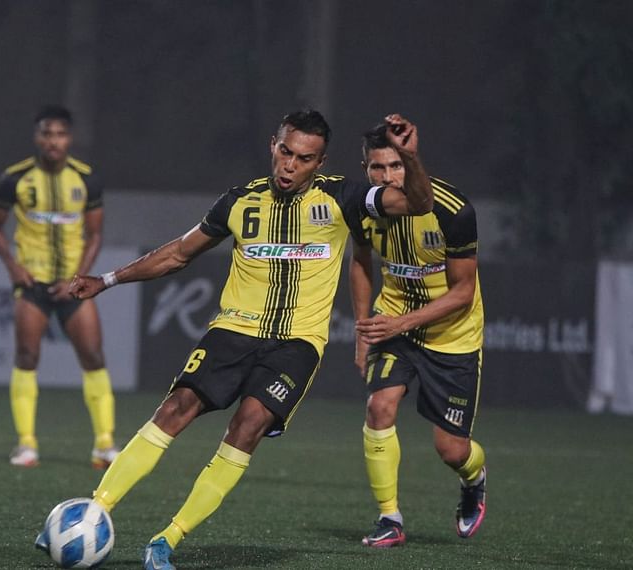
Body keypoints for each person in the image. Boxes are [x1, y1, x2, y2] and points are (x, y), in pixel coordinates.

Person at [64, 110, 433, 569]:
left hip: (296, 345)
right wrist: (108, 279)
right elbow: (179, 253)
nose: (289, 165)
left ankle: (167, 539)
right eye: (285, 152)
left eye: (303, 158)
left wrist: (411, 159)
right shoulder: (239, 201)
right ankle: (97, 508)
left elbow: (416, 203)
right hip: (234, 331)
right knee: (175, 408)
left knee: (249, 424)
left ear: (320, 162)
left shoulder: (344, 195)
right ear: (272, 146)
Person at [349, 122, 486, 548]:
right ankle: (389, 517)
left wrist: (400, 324)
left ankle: (474, 479)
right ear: (366, 167)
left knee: (452, 451)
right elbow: (360, 261)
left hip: (452, 336)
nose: (387, 177)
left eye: (395, 165)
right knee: (379, 407)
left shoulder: (452, 210)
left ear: (409, 162)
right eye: (377, 167)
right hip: (396, 324)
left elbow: (463, 292)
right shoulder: (365, 206)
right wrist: (362, 331)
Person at [0, 104, 119, 469]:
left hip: (72, 287)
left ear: (69, 138)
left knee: (93, 357)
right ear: (37, 137)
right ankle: (26, 444)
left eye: (60, 134)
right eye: (46, 133)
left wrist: (79, 278)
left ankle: (104, 445)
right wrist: (13, 267)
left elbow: (95, 235)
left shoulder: (86, 178)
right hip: (32, 283)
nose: (53, 141)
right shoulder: (15, 179)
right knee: (27, 357)